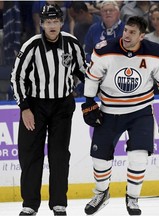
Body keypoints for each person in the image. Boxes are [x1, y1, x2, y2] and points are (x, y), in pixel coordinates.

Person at [81, 16, 159, 216]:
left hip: (140, 112)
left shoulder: (155, 53)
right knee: (99, 159)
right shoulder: (105, 49)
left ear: (142, 36)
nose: (126, 35)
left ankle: (132, 198)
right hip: (109, 110)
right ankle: (101, 193)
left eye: (132, 32)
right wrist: (89, 102)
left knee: (138, 156)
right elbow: (92, 77)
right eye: (126, 30)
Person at [10, 4, 87, 216]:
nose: (52, 25)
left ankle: (59, 203)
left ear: (61, 23)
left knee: (60, 155)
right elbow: (17, 77)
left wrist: (93, 94)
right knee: (31, 155)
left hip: (62, 105)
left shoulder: (72, 43)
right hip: (35, 106)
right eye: (48, 22)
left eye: (55, 21)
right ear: (42, 24)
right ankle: (30, 204)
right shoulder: (31, 46)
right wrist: (24, 107)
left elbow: (83, 71)